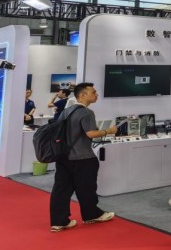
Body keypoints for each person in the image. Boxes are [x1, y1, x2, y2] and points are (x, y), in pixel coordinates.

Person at [49, 83, 116, 232]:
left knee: (61, 190)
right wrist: (109, 131)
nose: (96, 95)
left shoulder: (66, 111)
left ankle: (58, 221)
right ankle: (91, 214)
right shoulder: (87, 113)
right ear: (82, 95)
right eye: (93, 92)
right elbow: (91, 133)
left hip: (64, 157)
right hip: (83, 157)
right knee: (87, 188)